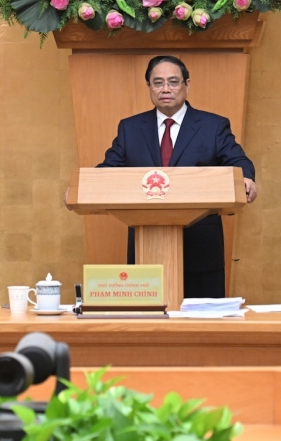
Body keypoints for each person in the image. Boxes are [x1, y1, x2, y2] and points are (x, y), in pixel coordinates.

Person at [98, 55, 257, 299]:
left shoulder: (213, 126)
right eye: (158, 82)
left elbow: (238, 161)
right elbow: (109, 170)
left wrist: (246, 178)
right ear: (149, 87)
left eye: (173, 82)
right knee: (149, 328)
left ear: (187, 85)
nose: (165, 89)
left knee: (202, 330)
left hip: (201, 245)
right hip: (146, 246)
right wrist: (83, 187)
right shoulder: (130, 128)